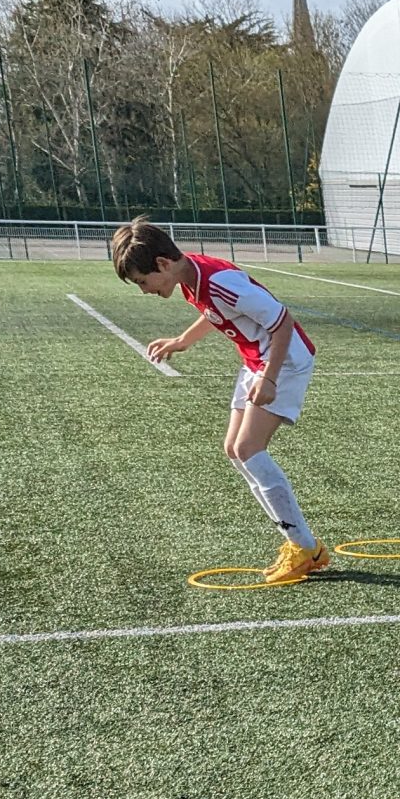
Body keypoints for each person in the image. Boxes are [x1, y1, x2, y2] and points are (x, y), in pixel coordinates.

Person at [110, 219, 330, 585]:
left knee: (249, 448)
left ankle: (305, 547)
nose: (144, 290)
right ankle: (299, 544)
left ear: (163, 264)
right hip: (256, 360)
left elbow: (282, 322)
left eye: (142, 281)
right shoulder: (190, 275)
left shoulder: (219, 283)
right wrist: (182, 340)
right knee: (233, 449)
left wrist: (271, 378)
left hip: (284, 359)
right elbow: (215, 314)